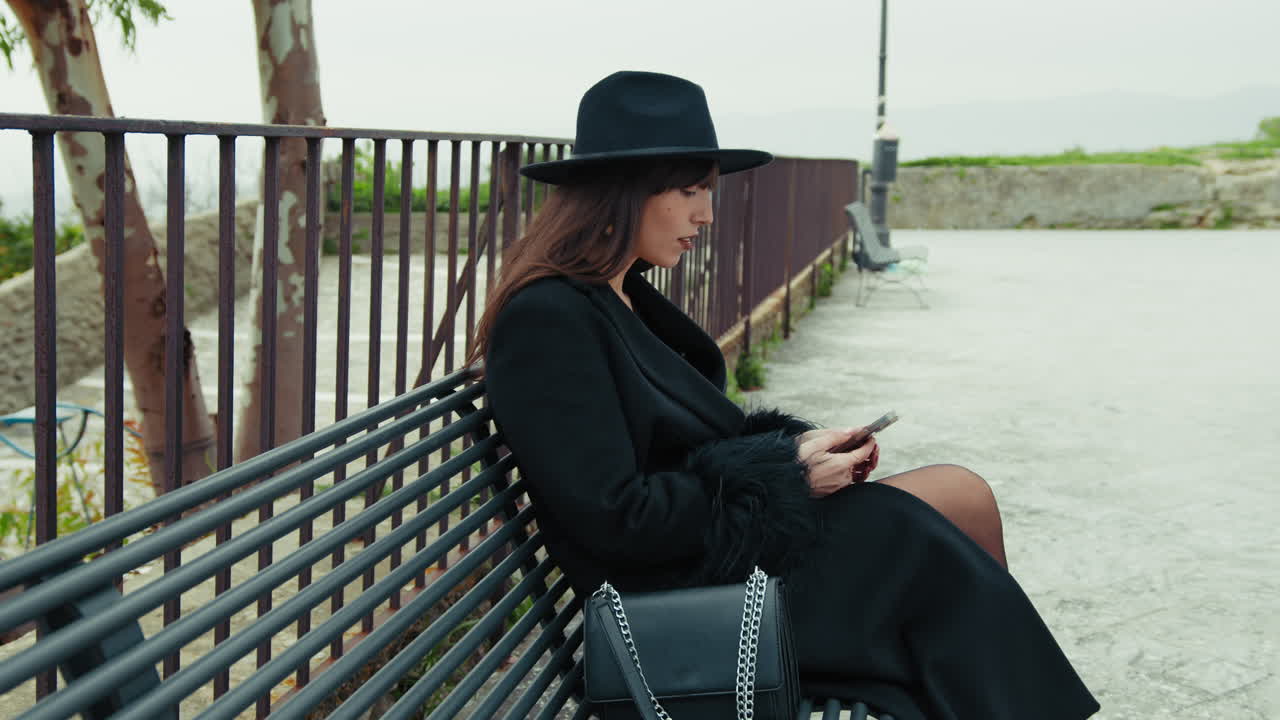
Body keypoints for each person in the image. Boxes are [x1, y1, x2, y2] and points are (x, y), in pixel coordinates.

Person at [468, 71, 1099, 720]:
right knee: (929, 525)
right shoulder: (548, 318)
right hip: (680, 600)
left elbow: (690, 450)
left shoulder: (618, 296)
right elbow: (617, 519)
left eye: (707, 192)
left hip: (716, 557)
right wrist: (786, 475)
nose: (706, 215)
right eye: (689, 191)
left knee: (958, 498)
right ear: (622, 192)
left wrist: (795, 450)